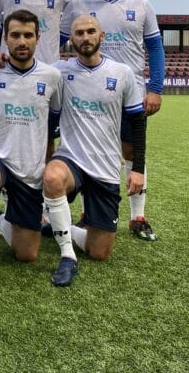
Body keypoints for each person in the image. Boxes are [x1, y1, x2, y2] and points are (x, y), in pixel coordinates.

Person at [60, 0, 164, 241]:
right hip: (89, 91)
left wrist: (155, 87)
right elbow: (57, 40)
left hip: (128, 94)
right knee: (85, 149)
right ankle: (86, 212)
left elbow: (154, 48)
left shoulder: (141, 4)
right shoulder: (80, 4)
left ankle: (138, 216)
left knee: (131, 151)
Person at [0, 9, 62, 287]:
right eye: (15, 35)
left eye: (28, 35)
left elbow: (55, 116)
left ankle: (2, 217)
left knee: (26, 254)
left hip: (29, 169)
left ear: (38, 38)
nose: (21, 41)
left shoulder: (52, 76)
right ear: (5, 39)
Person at [42, 15, 146, 286]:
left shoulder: (122, 73)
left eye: (90, 32)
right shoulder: (59, 72)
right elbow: (27, 69)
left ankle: (59, 226)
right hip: (72, 160)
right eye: (79, 33)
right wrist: (1, 59)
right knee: (52, 177)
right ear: (72, 39)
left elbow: (137, 122)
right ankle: (67, 256)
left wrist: (138, 170)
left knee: (99, 252)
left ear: (102, 36)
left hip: (106, 166)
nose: (85, 37)